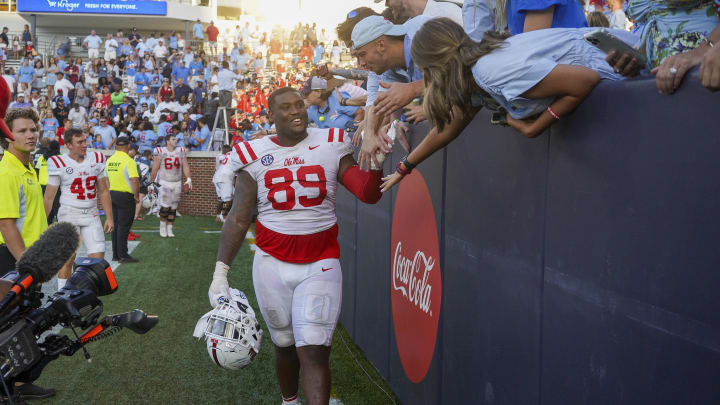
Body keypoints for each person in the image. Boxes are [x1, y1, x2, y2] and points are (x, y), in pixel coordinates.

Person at [209, 87, 385, 405]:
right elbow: (238, 218)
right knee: (284, 342)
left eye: (300, 105)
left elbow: (368, 193)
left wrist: (376, 164)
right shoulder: (253, 153)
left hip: (321, 262)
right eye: (286, 107)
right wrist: (220, 273)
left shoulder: (330, 142)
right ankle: (289, 401)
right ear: (271, 115)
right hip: (272, 264)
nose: (296, 111)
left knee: (315, 348)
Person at [379, 18, 629, 191]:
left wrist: (535, 127)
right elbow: (449, 126)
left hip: (630, 68)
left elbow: (584, 81)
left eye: (423, 68)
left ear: (433, 66)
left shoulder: (488, 70)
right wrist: (405, 166)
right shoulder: (473, 74)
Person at [0, 102, 57, 400]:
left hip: (29, 254)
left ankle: (20, 383)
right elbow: (7, 224)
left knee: (25, 323)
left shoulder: (27, 166)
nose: (31, 135)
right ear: (8, 135)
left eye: (33, 129)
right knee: (9, 325)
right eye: (22, 131)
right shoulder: (7, 171)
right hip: (12, 256)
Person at [43, 129, 114, 288]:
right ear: (68, 145)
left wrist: (109, 217)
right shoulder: (59, 162)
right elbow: (49, 196)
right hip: (69, 215)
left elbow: (103, 190)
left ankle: (88, 294)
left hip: (91, 215)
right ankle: (62, 294)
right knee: (68, 259)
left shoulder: (96, 158)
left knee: (97, 261)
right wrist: (42, 221)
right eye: (79, 142)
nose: (84, 145)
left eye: (85, 140)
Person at [149, 133, 192, 237]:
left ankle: (170, 229)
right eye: (173, 139)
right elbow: (155, 168)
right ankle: (162, 227)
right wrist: (151, 183)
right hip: (164, 182)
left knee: (174, 207)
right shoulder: (161, 151)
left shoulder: (180, 151)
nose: (176, 141)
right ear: (167, 141)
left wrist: (189, 178)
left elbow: (185, 166)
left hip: (177, 182)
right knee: (165, 206)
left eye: (176, 139)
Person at [106, 136, 140, 263]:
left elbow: (105, 179)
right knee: (123, 227)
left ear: (115, 147)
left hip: (112, 194)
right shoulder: (129, 161)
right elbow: (134, 180)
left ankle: (116, 254)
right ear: (128, 147)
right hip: (125, 196)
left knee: (115, 225)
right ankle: (123, 255)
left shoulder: (109, 160)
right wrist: (136, 196)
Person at [212, 144, 233, 222]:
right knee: (228, 199)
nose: (224, 151)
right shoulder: (228, 156)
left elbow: (217, 167)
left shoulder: (223, 156)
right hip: (224, 178)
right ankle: (222, 215)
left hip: (218, 177)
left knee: (222, 198)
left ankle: (220, 216)